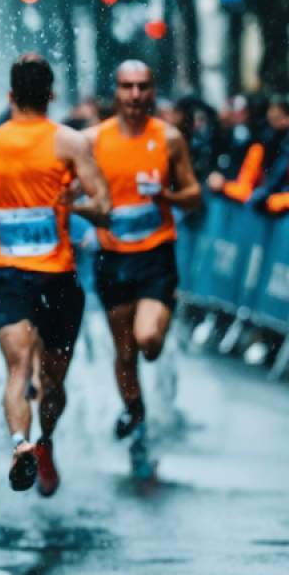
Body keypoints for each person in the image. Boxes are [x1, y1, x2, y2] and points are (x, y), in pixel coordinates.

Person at [0, 53, 109, 496]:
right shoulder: (70, 143)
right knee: (30, 370)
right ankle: (28, 445)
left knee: (36, 376)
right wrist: (74, 206)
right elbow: (103, 206)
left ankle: (35, 442)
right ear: (52, 95)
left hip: (37, 276)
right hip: (28, 277)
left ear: (10, 95)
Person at [83, 61, 201, 481]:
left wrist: (167, 194)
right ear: (116, 92)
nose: (135, 94)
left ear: (152, 91)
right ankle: (136, 417)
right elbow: (70, 189)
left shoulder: (168, 139)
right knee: (125, 351)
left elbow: (194, 195)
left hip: (155, 255)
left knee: (147, 339)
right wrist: (84, 218)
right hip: (112, 256)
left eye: (143, 87)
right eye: (127, 87)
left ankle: (139, 408)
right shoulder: (93, 140)